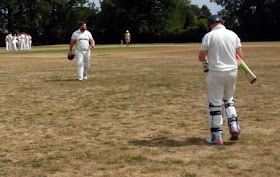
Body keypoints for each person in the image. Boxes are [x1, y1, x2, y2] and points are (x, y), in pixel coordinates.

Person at [198, 15, 242, 146]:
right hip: (232, 72)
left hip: (216, 73)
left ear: (210, 24)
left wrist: (208, 60)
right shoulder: (233, 34)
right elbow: (239, 56)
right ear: (222, 23)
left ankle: (217, 136)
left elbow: (201, 57)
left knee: (215, 104)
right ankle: (233, 125)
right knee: (228, 100)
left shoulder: (209, 36)